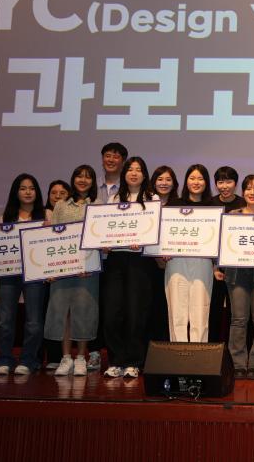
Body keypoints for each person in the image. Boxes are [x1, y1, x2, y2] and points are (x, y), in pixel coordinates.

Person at [102, 157, 155, 379]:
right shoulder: (114, 198)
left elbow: (154, 230)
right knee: (112, 312)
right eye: (130, 169)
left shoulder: (152, 199)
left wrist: (142, 240)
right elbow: (104, 227)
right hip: (115, 259)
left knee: (136, 312)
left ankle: (134, 361)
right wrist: (104, 242)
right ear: (124, 174)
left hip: (139, 261)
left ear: (144, 174)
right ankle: (116, 360)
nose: (134, 173)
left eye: (138, 169)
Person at [219, 175, 254, 379]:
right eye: (248, 188)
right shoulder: (231, 216)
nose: (252, 192)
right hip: (236, 274)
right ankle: (238, 365)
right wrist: (218, 266)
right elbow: (221, 243)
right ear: (243, 192)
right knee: (238, 320)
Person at [46, 165, 100, 377]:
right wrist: (51, 268)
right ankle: (66, 357)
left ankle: (81, 358)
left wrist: (89, 262)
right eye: (79, 176)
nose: (83, 180)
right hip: (63, 268)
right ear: (73, 179)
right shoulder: (60, 205)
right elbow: (53, 237)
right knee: (64, 313)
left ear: (93, 181)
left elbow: (99, 237)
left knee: (83, 312)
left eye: (88, 177)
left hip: (87, 270)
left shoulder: (98, 205)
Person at [0, 174, 46, 376]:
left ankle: (27, 360)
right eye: (23, 188)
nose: (28, 192)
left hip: (35, 274)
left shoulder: (46, 215)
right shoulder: (6, 217)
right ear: (16, 192)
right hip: (9, 274)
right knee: (5, 320)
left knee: (34, 321)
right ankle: (4, 358)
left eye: (31, 188)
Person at [163, 165, 215, 343]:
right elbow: (163, 233)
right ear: (186, 181)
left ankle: (198, 354)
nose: (196, 182)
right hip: (176, 262)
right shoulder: (173, 205)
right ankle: (178, 354)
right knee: (177, 311)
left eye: (200, 178)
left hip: (203, 262)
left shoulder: (213, 207)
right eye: (192, 178)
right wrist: (163, 251)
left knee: (200, 311)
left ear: (206, 182)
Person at [91, 141, 128, 372]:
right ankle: (94, 352)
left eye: (116, 156)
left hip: (117, 259)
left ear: (123, 161)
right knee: (93, 308)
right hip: (91, 258)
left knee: (116, 310)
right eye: (107, 155)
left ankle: (118, 357)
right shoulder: (92, 187)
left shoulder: (128, 190)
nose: (111, 159)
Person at [207, 166, 244, 343]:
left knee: (235, 311)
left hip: (237, 267)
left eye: (229, 181)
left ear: (235, 183)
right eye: (220, 182)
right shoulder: (209, 204)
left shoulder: (243, 205)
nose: (224, 186)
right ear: (215, 184)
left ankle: (232, 350)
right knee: (212, 309)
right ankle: (211, 349)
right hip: (212, 266)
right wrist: (214, 266)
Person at [147, 165, 179, 343]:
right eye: (160, 179)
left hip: (173, 263)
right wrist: (157, 255)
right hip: (148, 264)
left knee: (170, 306)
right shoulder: (146, 205)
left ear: (174, 183)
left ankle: (168, 347)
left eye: (168, 179)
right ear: (153, 182)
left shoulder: (180, 206)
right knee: (151, 306)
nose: (164, 183)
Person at [41, 179, 70, 370]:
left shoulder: (71, 215)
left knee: (63, 315)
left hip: (65, 270)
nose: (57, 196)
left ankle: (60, 356)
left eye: (62, 193)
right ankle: (49, 357)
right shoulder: (40, 214)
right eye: (53, 193)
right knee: (46, 314)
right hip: (43, 272)